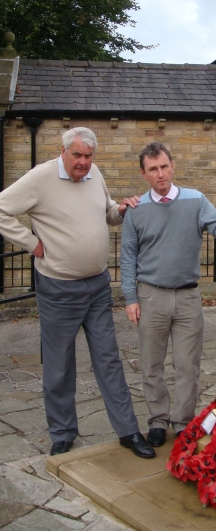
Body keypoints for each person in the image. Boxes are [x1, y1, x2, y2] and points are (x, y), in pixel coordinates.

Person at [0, 127, 155, 458]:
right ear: (63, 151)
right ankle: (62, 432)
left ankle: (128, 431)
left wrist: (121, 210)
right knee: (58, 366)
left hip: (97, 285)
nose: (83, 162)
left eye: (88, 156)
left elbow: (107, 212)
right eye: (77, 155)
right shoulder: (39, 178)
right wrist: (31, 243)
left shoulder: (94, 174)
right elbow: (1, 209)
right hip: (58, 287)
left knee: (109, 360)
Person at [120, 141, 216, 448]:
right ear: (143, 174)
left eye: (164, 166)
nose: (160, 174)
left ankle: (183, 421)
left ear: (172, 166)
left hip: (188, 298)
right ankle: (158, 420)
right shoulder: (135, 211)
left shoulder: (195, 200)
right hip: (151, 297)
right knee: (151, 364)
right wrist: (130, 297)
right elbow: (128, 256)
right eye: (153, 169)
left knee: (188, 365)